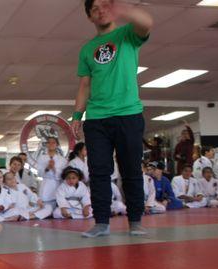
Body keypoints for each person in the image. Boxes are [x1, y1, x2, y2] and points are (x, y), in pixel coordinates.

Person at [72, 0, 153, 237]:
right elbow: (85, 85)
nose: (100, 11)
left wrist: (126, 10)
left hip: (128, 113)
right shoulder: (87, 49)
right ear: (90, 17)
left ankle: (136, 220)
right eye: (94, 9)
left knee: (131, 170)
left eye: (104, 5)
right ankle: (101, 222)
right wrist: (77, 115)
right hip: (97, 118)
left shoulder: (127, 34)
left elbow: (147, 23)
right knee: (98, 171)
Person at [36, 137, 67, 220]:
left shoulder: (62, 160)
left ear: (57, 145)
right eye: (49, 142)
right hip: (45, 184)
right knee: (45, 208)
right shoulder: (42, 158)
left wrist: (54, 168)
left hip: (56, 184)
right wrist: (47, 168)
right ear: (46, 144)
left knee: (55, 209)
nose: (51, 144)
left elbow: (63, 175)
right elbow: (39, 173)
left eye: (53, 142)